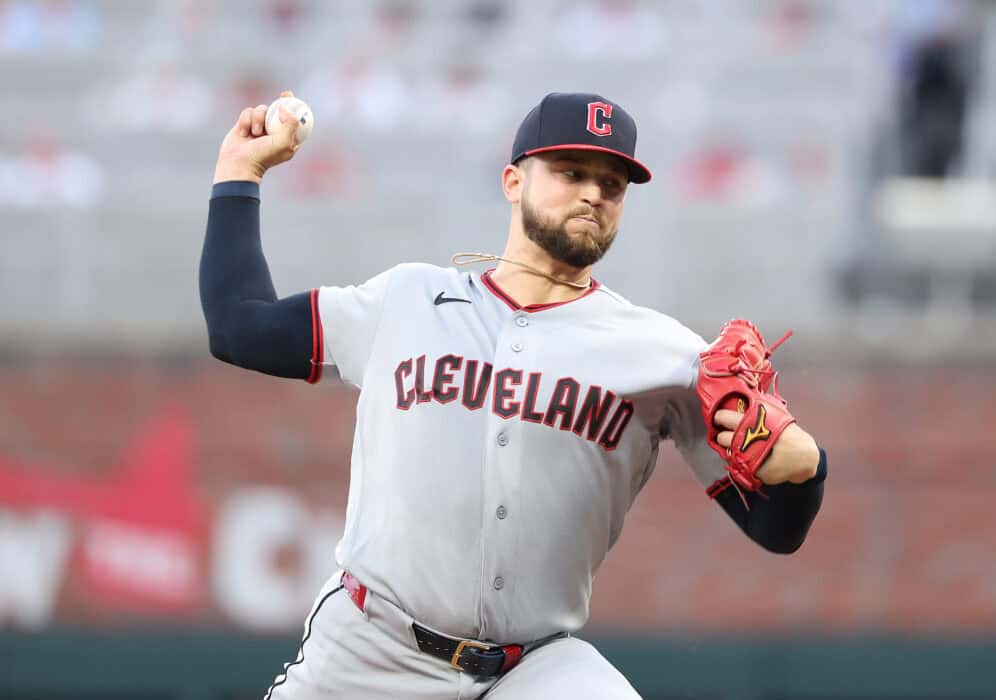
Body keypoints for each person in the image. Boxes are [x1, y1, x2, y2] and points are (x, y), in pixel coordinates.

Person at [200, 90, 827, 699]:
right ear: (513, 182)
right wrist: (239, 171)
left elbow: (776, 531)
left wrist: (807, 474)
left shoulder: (665, 355)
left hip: (534, 669)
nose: (592, 193)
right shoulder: (405, 301)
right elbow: (239, 326)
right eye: (570, 171)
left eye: (612, 184)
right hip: (369, 651)